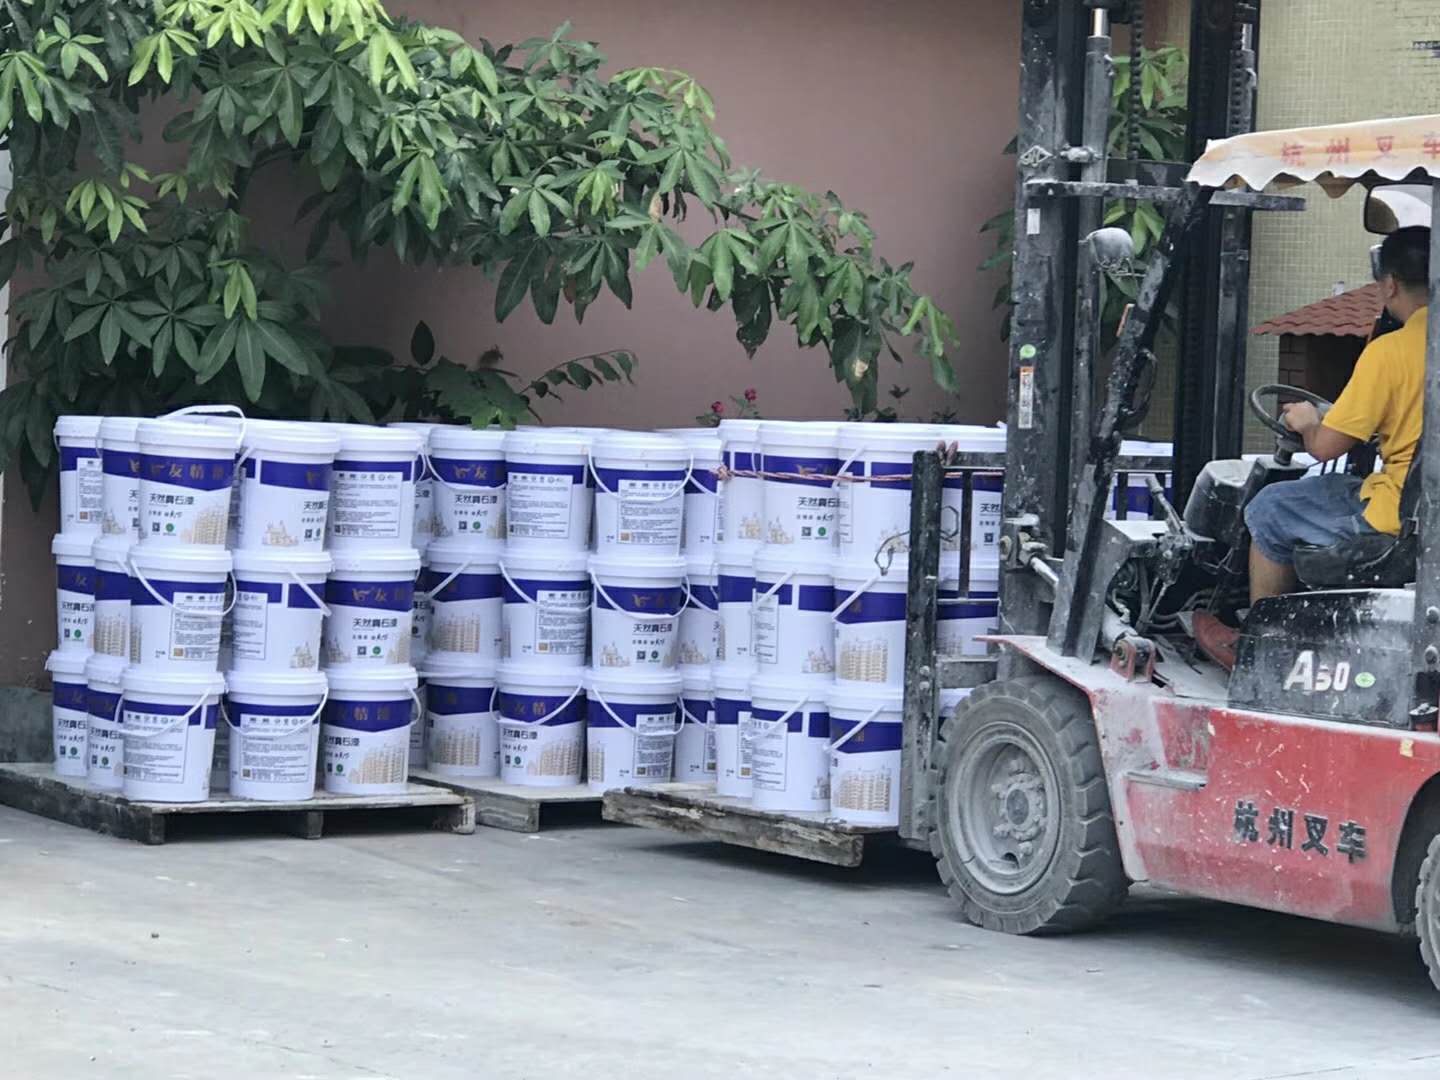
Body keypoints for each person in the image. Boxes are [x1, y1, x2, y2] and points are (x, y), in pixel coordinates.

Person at [1194, 225, 1429, 668]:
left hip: (1400, 517)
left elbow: (1324, 448)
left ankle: (1260, 650)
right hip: (1421, 507)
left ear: (1390, 284)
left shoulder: (1392, 352)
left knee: (1270, 509)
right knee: (1336, 487)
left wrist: (1307, 422)